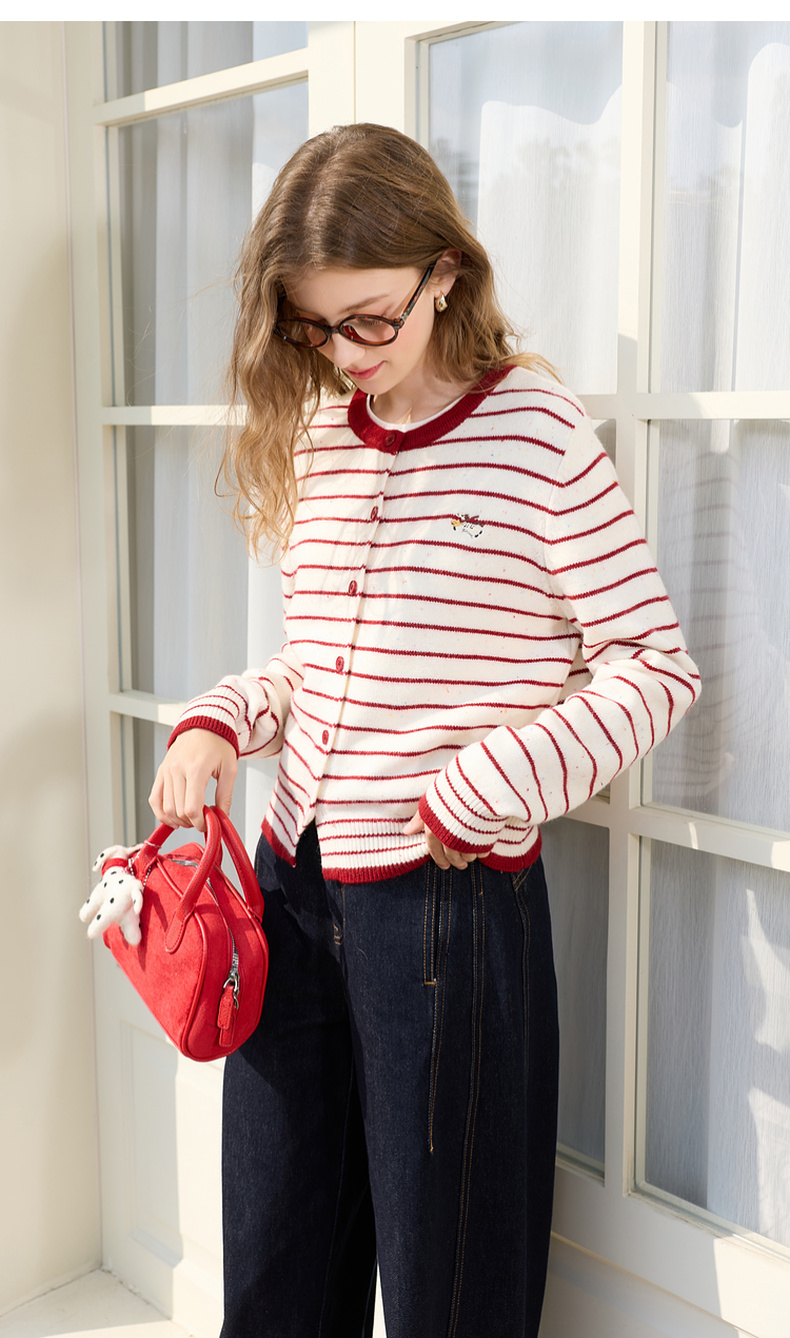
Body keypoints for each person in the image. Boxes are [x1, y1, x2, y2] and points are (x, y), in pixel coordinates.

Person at [149, 123, 700, 1338]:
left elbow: (654, 667)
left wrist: (480, 786)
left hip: (445, 906)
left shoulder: (536, 434)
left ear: (443, 272)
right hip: (293, 889)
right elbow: (323, 668)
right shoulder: (322, 435)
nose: (343, 355)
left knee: (450, 1289)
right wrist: (217, 724)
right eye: (313, 327)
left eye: (369, 319)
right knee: (276, 1262)